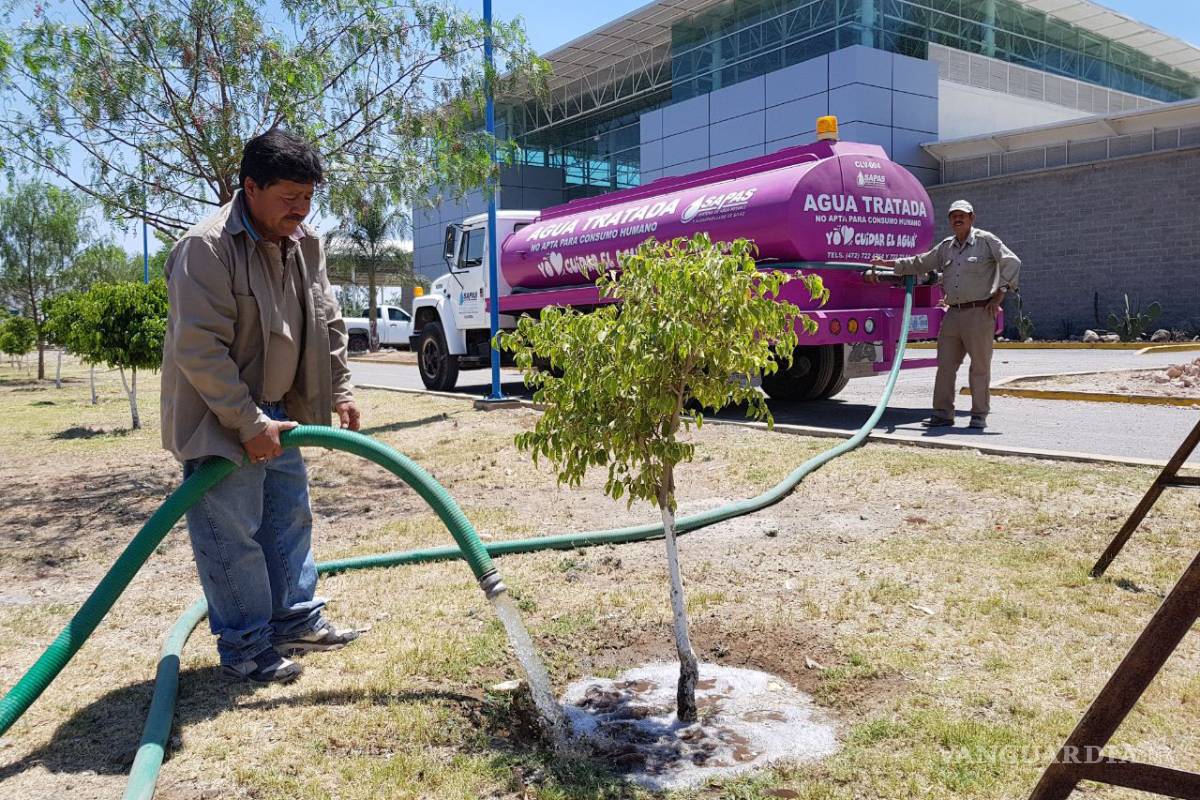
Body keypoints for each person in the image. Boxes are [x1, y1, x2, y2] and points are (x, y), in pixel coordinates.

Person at [161, 129, 361, 683]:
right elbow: (198, 348)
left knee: (288, 517)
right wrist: (248, 422)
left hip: (282, 411)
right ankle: (246, 645)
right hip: (220, 418)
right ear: (249, 187)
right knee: (232, 533)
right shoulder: (206, 248)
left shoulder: (304, 244)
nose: (300, 210)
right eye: (288, 198)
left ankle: (294, 618)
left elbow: (328, 322)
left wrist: (339, 388)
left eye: (307, 197)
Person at [869, 200, 1021, 431]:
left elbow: (1012, 262)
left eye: (962, 215)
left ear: (972, 218)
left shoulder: (986, 241)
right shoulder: (946, 247)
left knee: (979, 367)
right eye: (953, 216)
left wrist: (999, 295)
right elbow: (920, 262)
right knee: (945, 366)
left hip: (979, 313)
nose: (957, 219)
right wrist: (888, 264)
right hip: (953, 314)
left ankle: (979, 415)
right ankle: (942, 414)